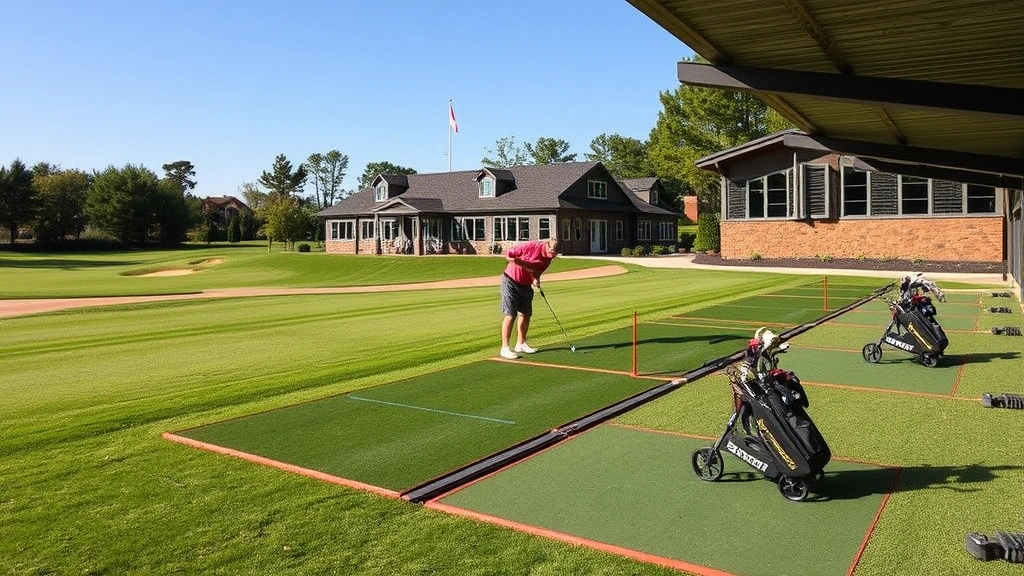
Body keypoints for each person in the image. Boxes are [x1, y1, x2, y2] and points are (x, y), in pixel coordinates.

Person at [498, 238, 560, 359]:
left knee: (526, 314)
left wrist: (536, 280)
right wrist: (516, 261)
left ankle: (520, 344)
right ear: (548, 246)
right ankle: (505, 348)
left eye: (556, 254)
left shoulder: (548, 259)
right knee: (511, 314)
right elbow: (509, 255)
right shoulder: (531, 246)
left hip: (526, 285)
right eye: (553, 252)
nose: (554, 256)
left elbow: (537, 273)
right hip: (510, 280)